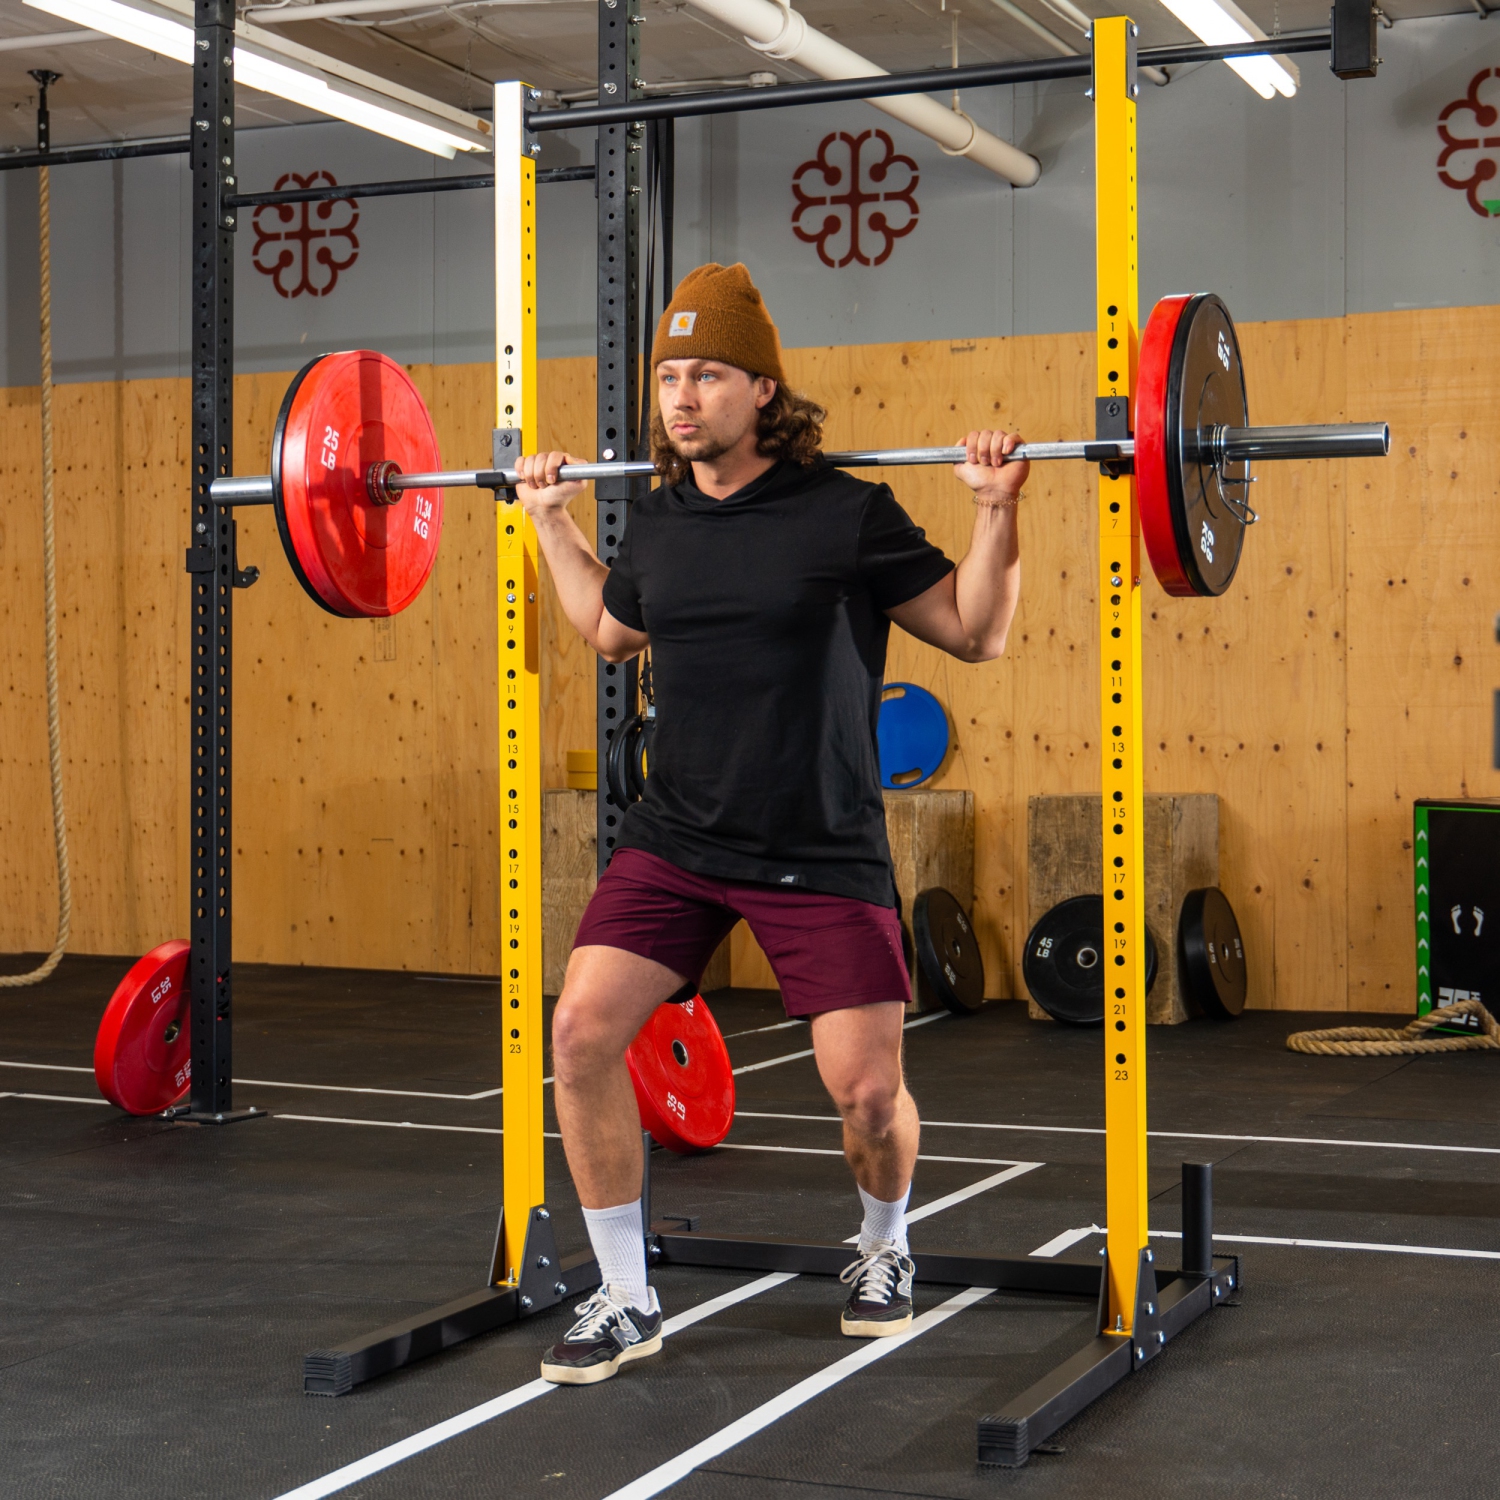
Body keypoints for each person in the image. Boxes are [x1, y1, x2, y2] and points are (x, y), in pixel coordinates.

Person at [514, 262, 1026, 1386]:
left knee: (867, 1094)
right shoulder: (659, 516)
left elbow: (977, 633)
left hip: (816, 842)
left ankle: (883, 1248)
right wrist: (550, 519)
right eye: (667, 378)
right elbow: (609, 629)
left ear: (762, 391)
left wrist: (996, 512)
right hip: (679, 836)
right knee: (582, 1035)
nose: (680, 398)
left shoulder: (847, 513)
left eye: (704, 376)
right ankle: (625, 1293)